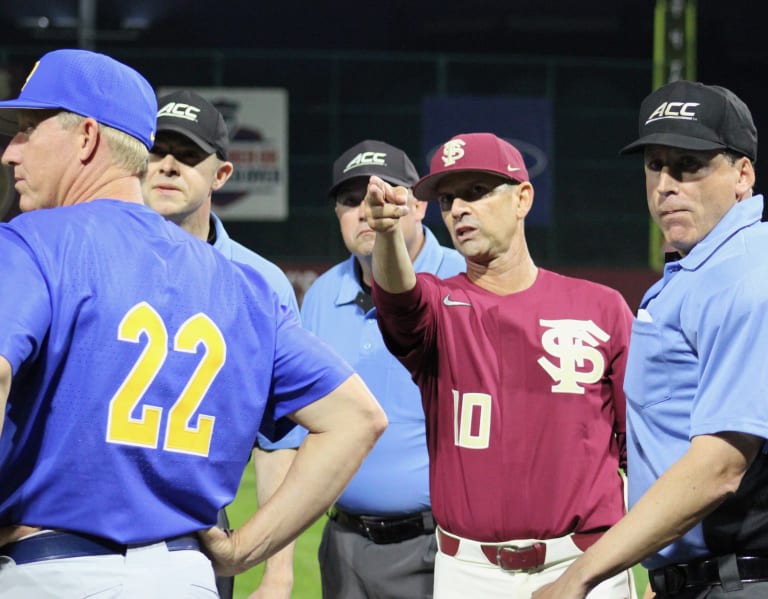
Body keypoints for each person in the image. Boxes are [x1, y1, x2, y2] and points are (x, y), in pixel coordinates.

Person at [0, 48, 387, 599]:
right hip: (186, 575)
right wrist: (245, 550)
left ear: (86, 137)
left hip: (54, 569)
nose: (11, 151)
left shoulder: (30, 243)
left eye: (28, 129)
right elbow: (357, 417)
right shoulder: (243, 286)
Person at [364, 131, 636, 599]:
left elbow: (642, 451)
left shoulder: (602, 308)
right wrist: (388, 236)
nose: (458, 210)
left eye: (476, 192)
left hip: (587, 563)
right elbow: (398, 298)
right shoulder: (437, 305)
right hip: (469, 571)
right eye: (448, 199)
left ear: (523, 198)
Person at [532, 81, 768, 599]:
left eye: (689, 164)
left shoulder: (747, 275)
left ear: (742, 175)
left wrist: (580, 575)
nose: (665, 184)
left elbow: (720, 466)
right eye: (654, 165)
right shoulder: (705, 269)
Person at [143, 89, 304, 599]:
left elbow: (277, 441)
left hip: (197, 536)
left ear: (222, 175)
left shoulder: (261, 282)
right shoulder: (96, 254)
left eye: (189, 155)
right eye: (156, 150)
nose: (168, 165)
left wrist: (277, 573)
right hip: (88, 527)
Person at [300, 140, 465, 598]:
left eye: (384, 194)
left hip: (442, 545)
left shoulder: (464, 281)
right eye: (351, 201)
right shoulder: (319, 298)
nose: (367, 210)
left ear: (420, 206)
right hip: (345, 547)